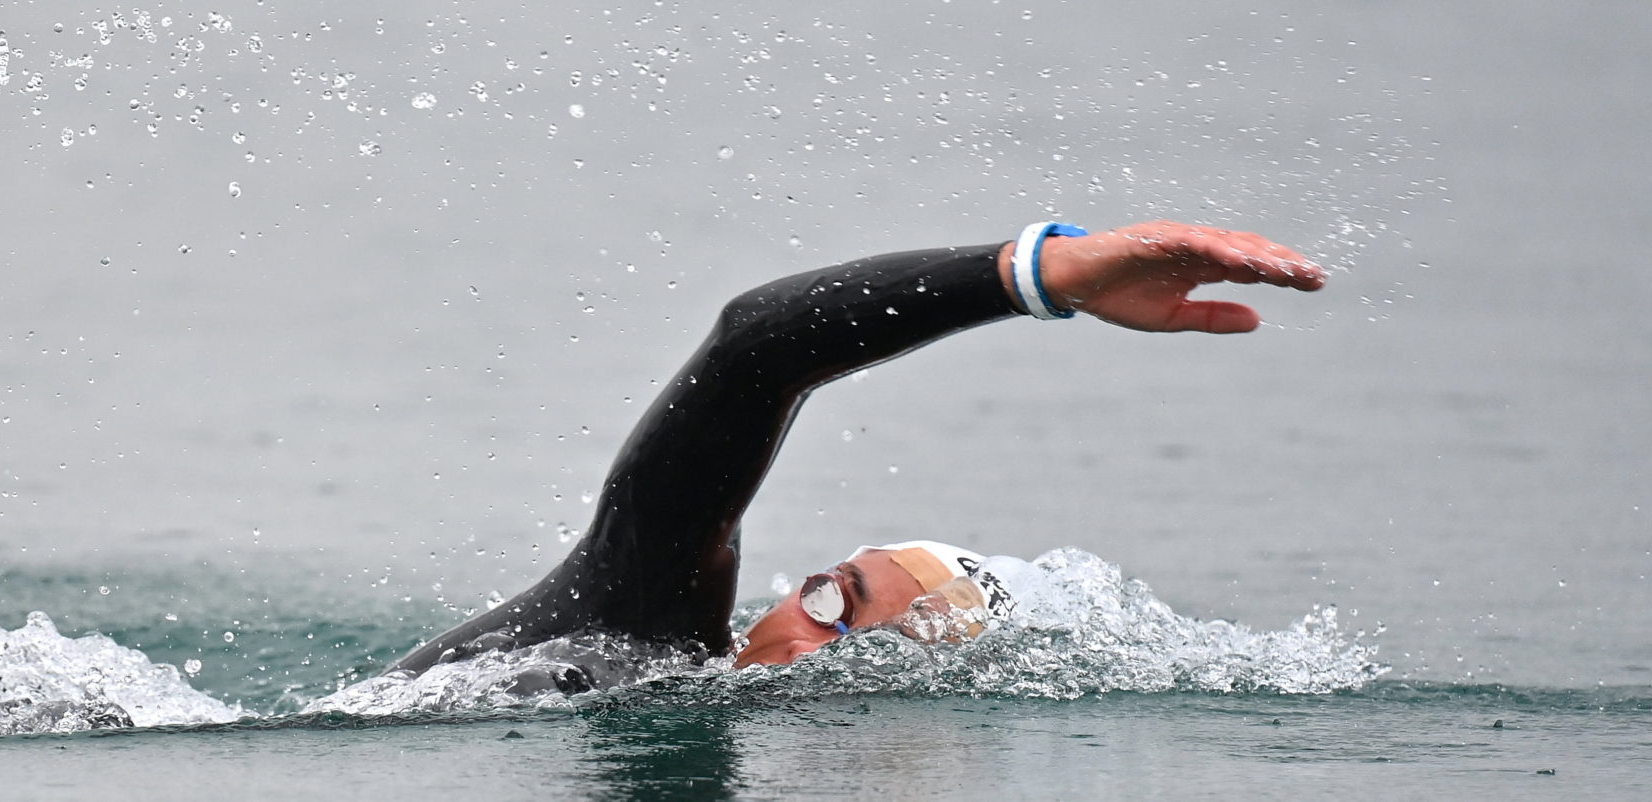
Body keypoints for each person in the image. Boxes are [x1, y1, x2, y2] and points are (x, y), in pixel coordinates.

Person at [389, 220, 1327, 680]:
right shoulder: (633, 621)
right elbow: (753, 351)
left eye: (863, 632)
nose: (808, 632)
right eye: (832, 592)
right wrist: (1027, 274)